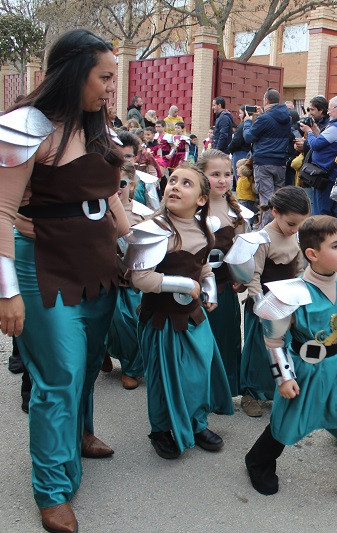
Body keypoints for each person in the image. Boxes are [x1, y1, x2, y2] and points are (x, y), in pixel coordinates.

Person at [0, 29, 130, 533]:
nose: (112, 87)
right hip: (40, 265)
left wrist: (139, 242)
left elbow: (107, 196)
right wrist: (6, 293)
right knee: (57, 378)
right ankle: (51, 489)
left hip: (97, 262)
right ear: (73, 74)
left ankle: (82, 434)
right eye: (104, 76)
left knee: (88, 364)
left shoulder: (93, 124)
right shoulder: (23, 128)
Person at [244, 215, 337, 504]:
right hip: (304, 369)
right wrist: (284, 377)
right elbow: (274, 339)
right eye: (336, 246)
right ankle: (258, 461)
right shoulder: (290, 292)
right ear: (312, 254)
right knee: (288, 422)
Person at [129, 163, 234, 459]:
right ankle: (161, 430)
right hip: (161, 321)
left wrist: (209, 291)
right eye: (172, 180)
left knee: (199, 372)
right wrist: (186, 285)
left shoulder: (204, 228)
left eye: (186, 183)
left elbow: (203, 265)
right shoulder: (152, 229)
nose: (174, 186)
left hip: (193, 318)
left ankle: (196, 422)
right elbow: (141, 278)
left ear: (202, 199)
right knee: (163, 379)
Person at [236, 186, 310, 416]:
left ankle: (279, 390)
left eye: (299, 224)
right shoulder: (262, 239)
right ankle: (251, 394)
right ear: (275, 212)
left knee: (285, 349)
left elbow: (299, 272)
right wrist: (262, 309)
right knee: (260, 352)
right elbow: (253, 276)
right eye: (291, 223)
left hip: (286, 305)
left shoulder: (296, 237)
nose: (294, 229)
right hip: (263, 307)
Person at [197, 149, 250, 399]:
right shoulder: (193, 207)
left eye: (227, 174)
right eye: (215, 174)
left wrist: (241, 277)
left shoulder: (237, 212)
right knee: (200, 341)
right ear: (201, 175)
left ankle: (224, 389)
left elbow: (241, 250)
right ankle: (200, 389)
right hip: (194, 290)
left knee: (226, 338)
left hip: (225, 287)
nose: (222, 179)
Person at [105, 162, 153, 390]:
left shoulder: (142, 213)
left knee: (129, 322)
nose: (117, 188)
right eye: (112, 182)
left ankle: (130, 368)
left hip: (130, 278)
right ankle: (103, 352)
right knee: (103, 320)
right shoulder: (98, 208)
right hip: (103, 275)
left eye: (122, 183)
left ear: (131, 186)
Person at [242, 88, 292, 226]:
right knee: (278, 199)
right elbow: (273, 124)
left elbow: (248, 137)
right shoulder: (287, 118)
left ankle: (267, 233)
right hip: (280, 162)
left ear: (266, 101)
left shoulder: (264, 119)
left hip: (263, 162)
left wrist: (247, 122)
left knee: (267, 200)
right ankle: (278, 228)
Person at [300, 94, 337, 217]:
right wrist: (315, 128)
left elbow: (316, 145)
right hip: (330, 173)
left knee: (322, 211)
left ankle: (321, 234)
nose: (328, 112)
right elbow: (324, 139)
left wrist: (309, 131)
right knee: (329, 210)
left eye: (330, 108)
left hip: (325, 174)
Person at [227, 108, 252, 179]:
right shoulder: (255, 124)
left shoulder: (242, 126)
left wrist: (230, 149)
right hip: (249, 153)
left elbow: (236, 141)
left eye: (240, 113)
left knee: (241, 178)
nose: (239, 115)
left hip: (240, 153)